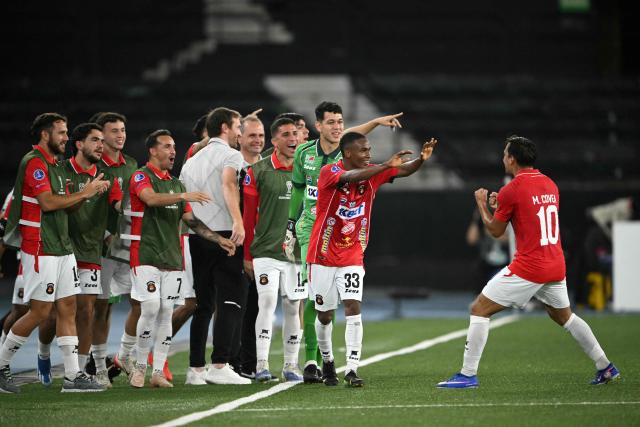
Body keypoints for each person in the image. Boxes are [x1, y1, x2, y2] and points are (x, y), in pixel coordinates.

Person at [437, 135, 620, 389]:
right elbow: (527, 214)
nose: (502, 157)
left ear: (512, 159)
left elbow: (496, 231)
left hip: (530, 267)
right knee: (565, 317)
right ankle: (605, 366)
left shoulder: (512, 188)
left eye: (504, 154)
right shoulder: (549, 183)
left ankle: (467, 375)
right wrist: (499, 205)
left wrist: (481, 205)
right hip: (555, 264)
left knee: (479, 308)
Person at [284, 101, 403, 383]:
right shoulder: (304, 152)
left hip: (339, 228)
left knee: (339, 301)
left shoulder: (346, 150)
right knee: (313, 298)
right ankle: (312, 358)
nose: (338, 127)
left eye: (341, 122)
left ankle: (334, 362)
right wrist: (291, 224)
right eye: (332, 123)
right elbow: (299, 191)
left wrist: (376, 122)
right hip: (310, 228)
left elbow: (356, 137)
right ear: (318, 127)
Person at [308, 132, 438, 387]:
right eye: (363, 150)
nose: (368, 154)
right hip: (322, 255)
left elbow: (403, 171)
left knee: (353, 308)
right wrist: (384, 166)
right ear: (347, 153)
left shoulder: (374, 171)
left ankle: (353, 369)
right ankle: (328, 360)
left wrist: (421, 159)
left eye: (369, 149)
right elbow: (349, 177)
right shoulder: (329, 172)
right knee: (324, 315)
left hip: (353, 254)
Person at [0, 113, 110, 393]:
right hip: (41, 246)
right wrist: (84, 194)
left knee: (67, 307)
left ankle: (73, 377)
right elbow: (48, 203)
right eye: (61, 133)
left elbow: (65, 206)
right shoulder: (35, 162)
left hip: (62, 247)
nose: (66, 137)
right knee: (38, 312)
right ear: (45, 135)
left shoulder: (56, 167)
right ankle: (1, 365)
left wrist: (87, 191)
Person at [126, 129, 235, 388]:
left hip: (173, 258)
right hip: (145, 254)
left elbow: (192, 221)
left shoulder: (176, 183)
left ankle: (157, 372)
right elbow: (150, 199)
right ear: (152, 150)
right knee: (150, 307)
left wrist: (219, 239)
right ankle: (139, 367)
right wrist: (184, 196)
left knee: (165, 312)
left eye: (174, 146)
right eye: (166, 146)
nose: (172, 151)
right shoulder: (141, 176)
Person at [179, 107, 250, 385]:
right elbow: (229, 184)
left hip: (198, 236)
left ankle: (195, 369)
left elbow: (186, 204)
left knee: (204, 304)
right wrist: (238, 222)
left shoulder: (190, 162)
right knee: (232, 299)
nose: (240, 132)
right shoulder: (231, 155)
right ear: (224, 127)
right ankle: (220, 364)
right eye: (238, 126)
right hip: (225, 235)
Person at [243, 118, 306, 382]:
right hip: (266, 251)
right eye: (287, 134)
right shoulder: (257, 171)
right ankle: (261, 365)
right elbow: (247, 217)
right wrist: (247, 255)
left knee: (293, 306)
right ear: (275, 141)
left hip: (297, 254)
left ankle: (291, 365)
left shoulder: (309, 170)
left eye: (296, 133)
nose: (293, 138)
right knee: (266, 303)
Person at [65, 123, 123, 387]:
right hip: (60, 250)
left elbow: (119, 204)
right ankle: (39, 355)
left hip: (89, 251)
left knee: (86, 311)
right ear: (79, 144)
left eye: (102, 140)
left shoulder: (106, 176)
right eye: (95, 140)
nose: (101, 145)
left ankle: (77, 372)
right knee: (47, 313)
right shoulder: (61, 171)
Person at [91, 112, 141, 381]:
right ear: (101, 135)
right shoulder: (93, 165)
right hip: (101, 248)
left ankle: (123, 354)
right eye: (114, 131)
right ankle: (98, 367)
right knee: (101, 308)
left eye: (122, 129)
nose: (120, 135)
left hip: (127, 245)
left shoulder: (131, 164)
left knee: (140, 302)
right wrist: (105, 234)